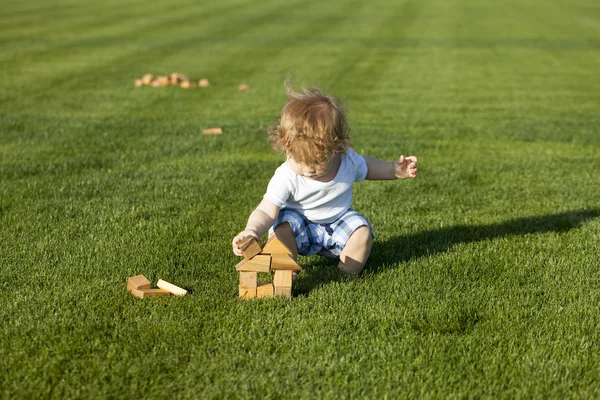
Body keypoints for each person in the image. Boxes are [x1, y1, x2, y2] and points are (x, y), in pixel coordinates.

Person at [232, 81, 418, 277]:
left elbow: (369, 167)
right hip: (299, 226)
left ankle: (346, 273)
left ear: (335, 148)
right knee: (282, 226)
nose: (307, 169)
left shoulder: (346, 160)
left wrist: (394, 170)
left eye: (316, 162)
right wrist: (251, 231)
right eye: (298, 160)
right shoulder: (287, 175)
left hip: (336, 222)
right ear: (286, 148)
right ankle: (285, 269)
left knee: (362, 230)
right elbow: (266, 210)